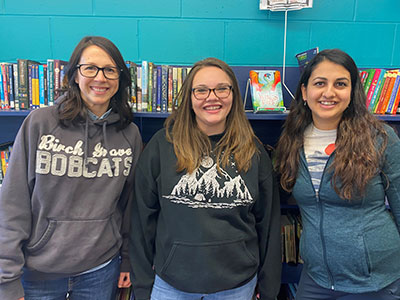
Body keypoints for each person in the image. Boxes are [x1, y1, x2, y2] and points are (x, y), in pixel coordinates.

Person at [0, 36, 143, 300]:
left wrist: (126, 261)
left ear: (120, 78)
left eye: (110, 70)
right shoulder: (40, 123)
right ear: (75, 75)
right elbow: (13, 203)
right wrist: (6, 278)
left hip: (101, 270)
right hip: (38, 272)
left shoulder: (129, 133)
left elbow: (130, 205)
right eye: (90, 68)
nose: (100, 78)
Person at [129, 57, 281, 300]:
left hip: (238, 286)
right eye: (201, 90)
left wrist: (269, 287)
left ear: (233, 95)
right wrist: (142, 285)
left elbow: (269, 224)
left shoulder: (253, 151)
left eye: (222, 88)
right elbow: (141, 219)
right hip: (170, 285)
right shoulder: (162, 145)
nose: (213, 97)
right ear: (189, 97)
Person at [274, 49, 400, 299]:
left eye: (340, 84)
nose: (329, 93)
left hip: (374, 281)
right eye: (319, 83)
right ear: (304, 92)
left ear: (352, 92)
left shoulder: (381, 138)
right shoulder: (292, 140)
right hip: (316, 277)